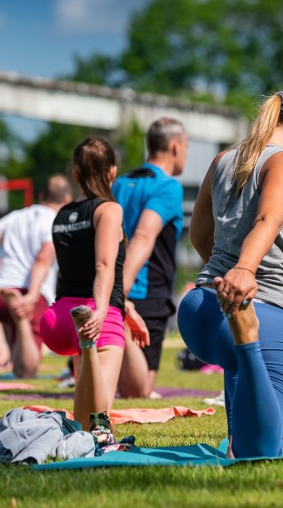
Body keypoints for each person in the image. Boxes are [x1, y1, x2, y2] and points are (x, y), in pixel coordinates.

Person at [177, 86, 283, 459]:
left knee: (240, 379)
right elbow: (267, 220)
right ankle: (244, 333)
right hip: (263, 308)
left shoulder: (224, 159)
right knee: (266, 448)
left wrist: (224, 272)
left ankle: (240, 338)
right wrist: (244, 270)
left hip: (200, 309)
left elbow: (198, 234)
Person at [39, 137, 147, 431]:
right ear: (113, 171)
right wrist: (102, 311)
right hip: (94, 312)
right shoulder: (109, 211)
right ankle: (89, 346)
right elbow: (102, 266)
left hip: (59, 319)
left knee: (82, 419)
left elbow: (77, 269)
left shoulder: (61, 215)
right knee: (100, 420)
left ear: (75, 173)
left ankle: (80, 440)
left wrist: (126, 307)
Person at [112, 117, 188, 398]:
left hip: (116, 284)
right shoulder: (167, 187)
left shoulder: (120, 184)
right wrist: (118, 295)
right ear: (175, 147)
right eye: (187, 146)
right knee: (140, 390)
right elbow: (144, 235)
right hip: (144, 292)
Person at [0, 175, 73, 378]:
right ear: (67, 200)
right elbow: (43, 258)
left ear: (41, 195)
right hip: (26, 291)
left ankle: (10, 364)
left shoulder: (16, 216)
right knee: (28, 370)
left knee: (14, 330)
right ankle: (19, 366)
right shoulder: (55, 221)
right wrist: (32, 295)